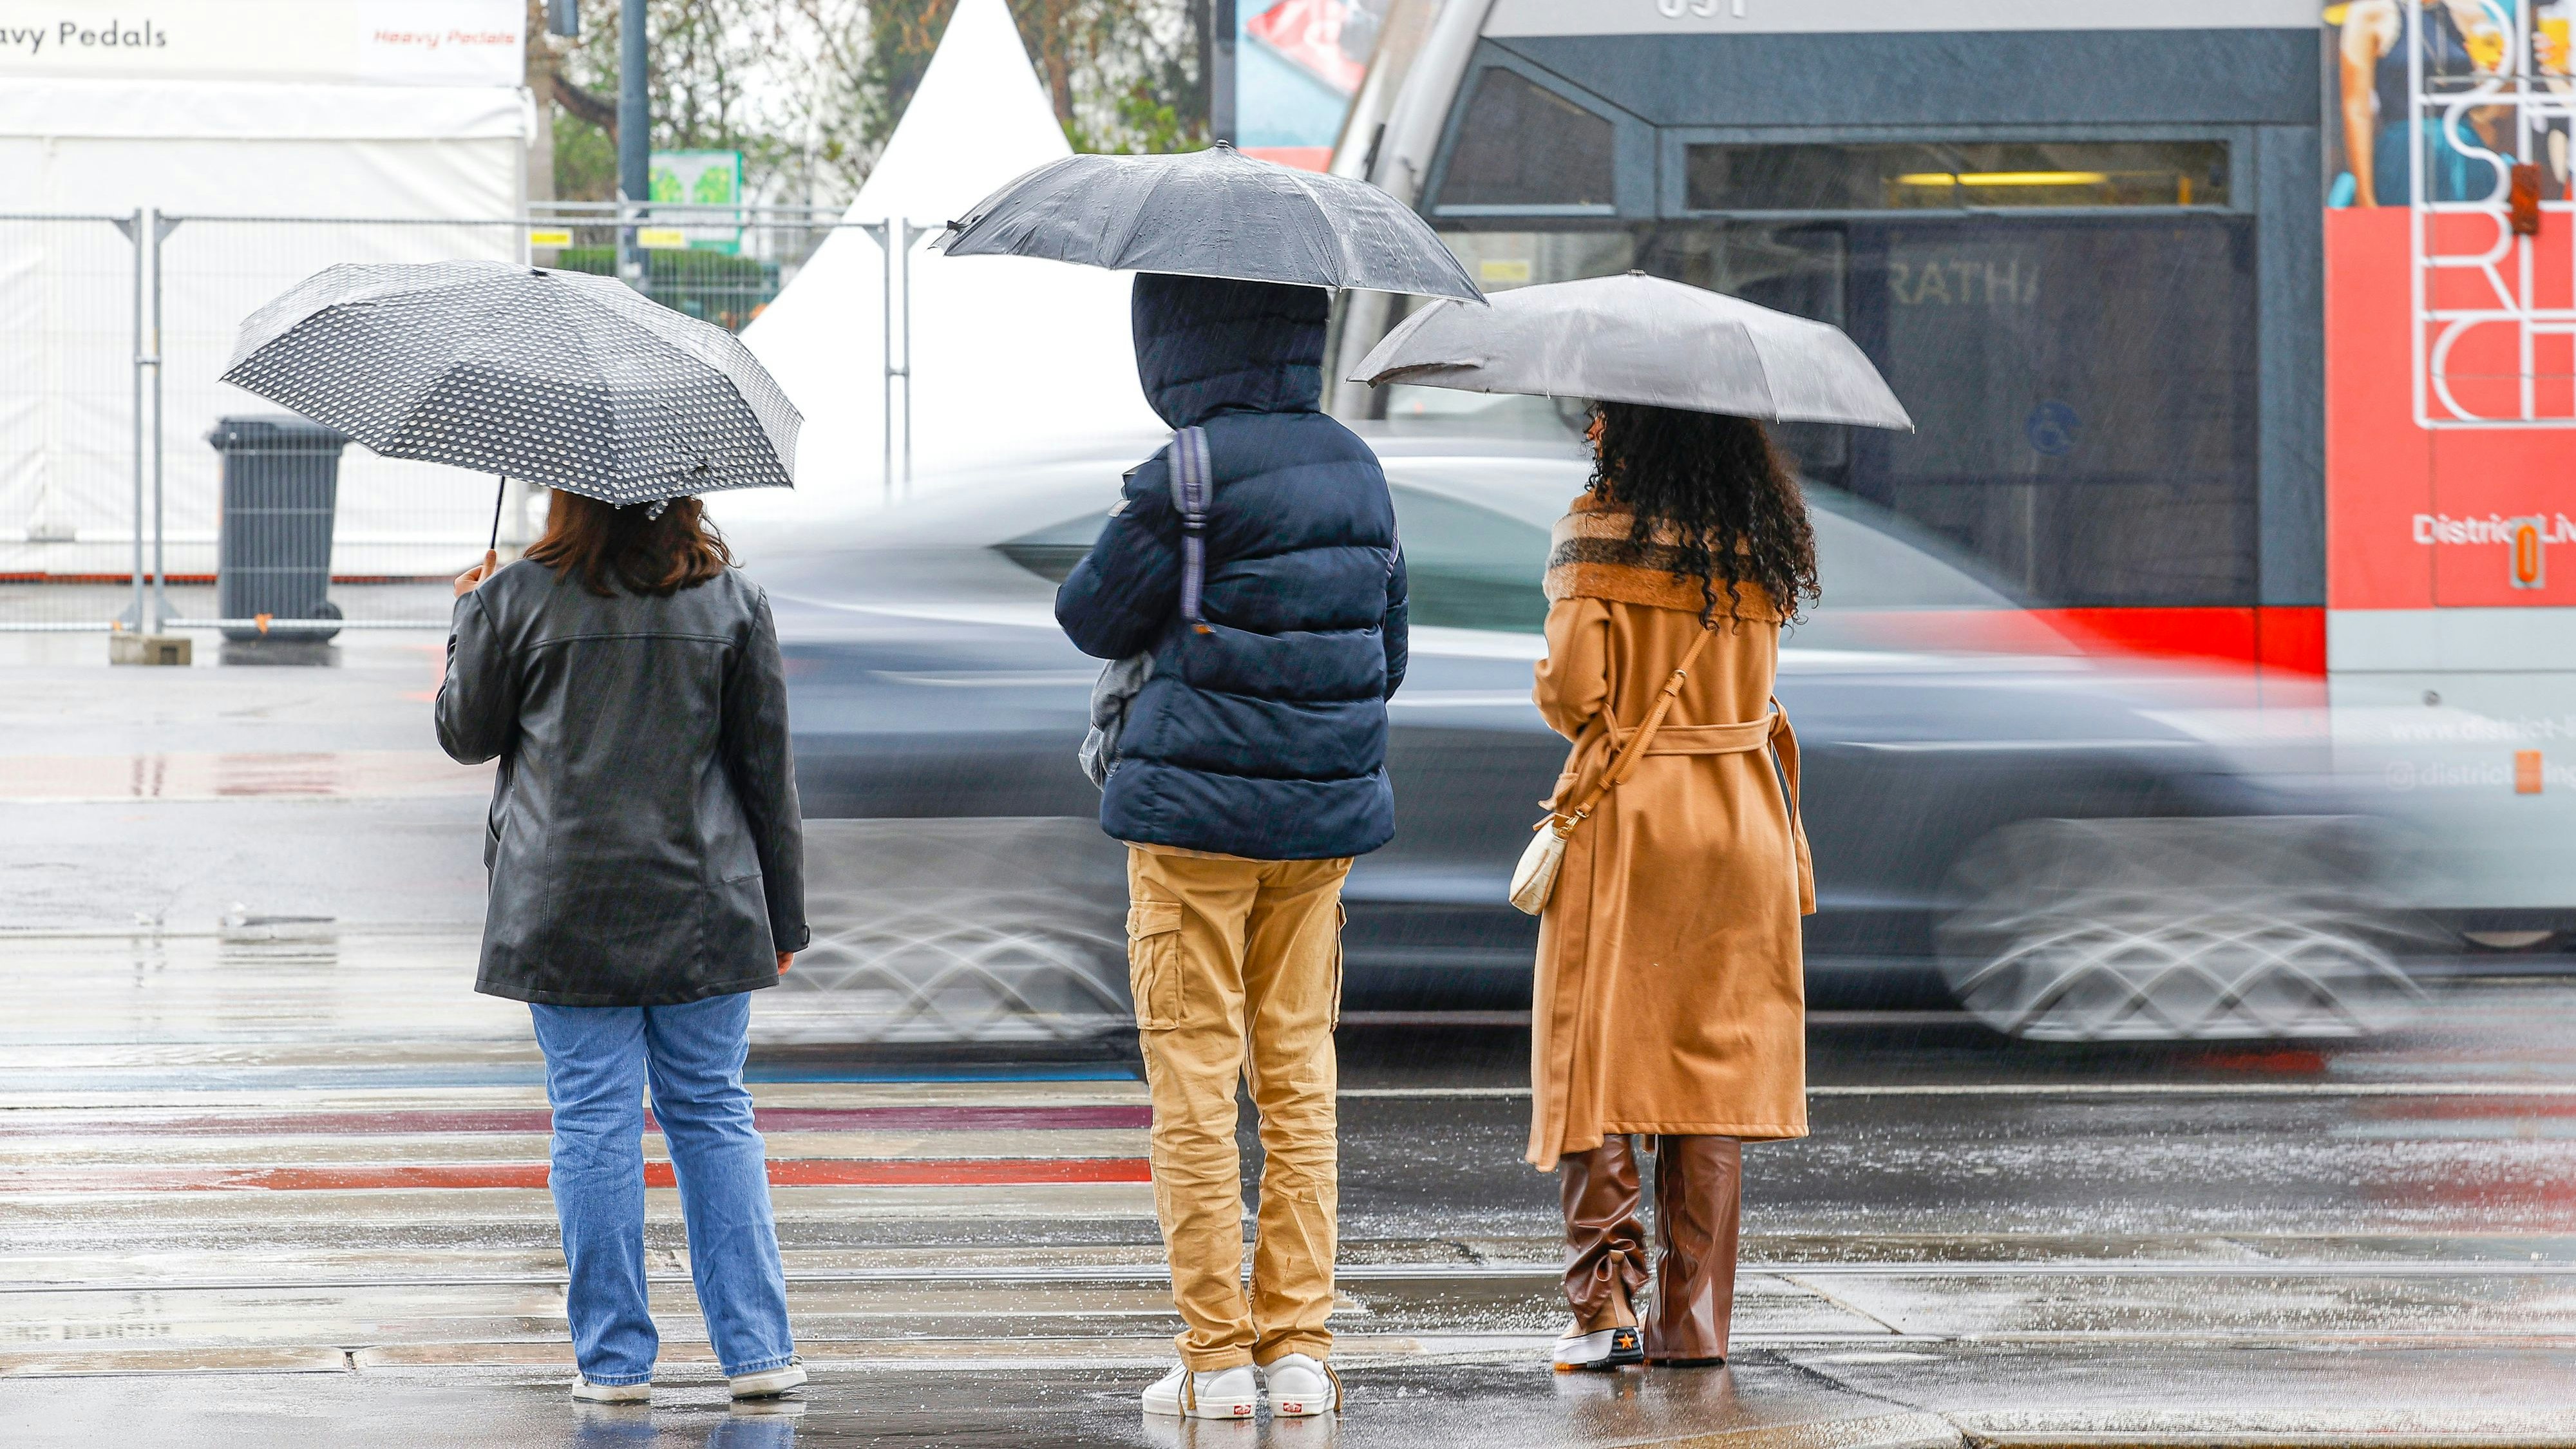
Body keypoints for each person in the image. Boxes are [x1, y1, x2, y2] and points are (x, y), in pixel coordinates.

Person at [1057, 272, 1408, 1421]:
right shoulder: (1357, 467)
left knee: (1196, 1083)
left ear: (1176, 338)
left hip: (1191, 830)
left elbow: (1090, 615)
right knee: (1299, 1074)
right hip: (1320, 827)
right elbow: (1385, 651)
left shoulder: (1189, 472)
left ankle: (1215, 1360)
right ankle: (1298, 1350)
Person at [436, 491, 810, 1405]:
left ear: (565, 495)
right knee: (713, 1111)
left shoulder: (514, 597)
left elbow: (464, 734)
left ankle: (613, 1364)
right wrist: (784, 919)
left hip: (565, 909)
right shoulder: (731, 602)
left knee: (593, 1121)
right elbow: (769, 774)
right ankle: (759, 1353)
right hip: (706, 906)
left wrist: (467, 617)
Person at [1527, 403, 1815, 1372]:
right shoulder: (1759, 537)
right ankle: (1694, 1325)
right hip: (1743, 818)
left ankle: (1605, 1305)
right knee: (1711, 1069)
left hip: (1633, 819)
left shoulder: (1597, 527)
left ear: (1632, 429)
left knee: (1595, 1056)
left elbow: (1574, 694)